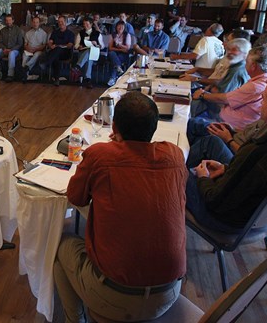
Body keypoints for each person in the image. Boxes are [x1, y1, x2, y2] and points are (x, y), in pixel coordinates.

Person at [55, 92, 187, 323]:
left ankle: (75, 319)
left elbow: (75, 198)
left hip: (114, 296)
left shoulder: (100, 155)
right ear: (155, 127)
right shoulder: (175, 156)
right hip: (169, 294)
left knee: (60, 246)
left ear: (114, 126)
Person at [185, 75, 267, 233]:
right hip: (256, 218)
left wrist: (203, 177)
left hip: (226, 221)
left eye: (263, 98)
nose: (260, 103)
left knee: (174, 169)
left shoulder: (258, 153)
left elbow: (213, 200)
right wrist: (227, 169)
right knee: (211, 143)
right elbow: (262, 177)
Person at [186, 58, 267, 167]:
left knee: (209, 142)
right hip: (235, 136)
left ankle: (178, 166)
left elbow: (253, 159)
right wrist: (231, 130)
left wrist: (229, 139)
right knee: (195, 124)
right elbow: (253, 135)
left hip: (235, 151)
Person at [187, 47, 267, 142]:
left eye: (234, 49)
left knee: (191, 122)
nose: (228, 49)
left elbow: (224, 98)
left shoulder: (255, 85)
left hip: (230, 127)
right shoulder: (260, 80)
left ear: (253, 65)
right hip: (225, 114)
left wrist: (202, 94)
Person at [187, 38, 251, 117]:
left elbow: (223, 96)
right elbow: (220, 83)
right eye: (229, 49)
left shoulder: (237, 70)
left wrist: (203, 93)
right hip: (213, 101)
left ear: (245, 53)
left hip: (218, 111)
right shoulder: (235, 65)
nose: (230, 52)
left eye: (234, 50)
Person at [0, 14, 24, 82]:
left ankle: (10, 75)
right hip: (4, 49)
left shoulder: (18, 30)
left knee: (11, 54)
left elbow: (20, 43)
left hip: (15, 50)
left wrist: (11, 49)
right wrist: (4, 49)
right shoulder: (2, 30)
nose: (8, 22)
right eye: (7, 20)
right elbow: (0, 43)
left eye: (9, 20)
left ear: (13, 21)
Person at [40, 16, 75, 86]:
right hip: (55, 52)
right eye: (59, 22)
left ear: (65, 22)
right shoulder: (55, 32)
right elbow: (50, 42)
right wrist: (50, 45)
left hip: (65, 52)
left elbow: (70, 45)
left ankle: (47, 63)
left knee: (57, 50)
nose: (60, 23)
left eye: (62, 21)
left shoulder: (70, 33)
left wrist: (60, 46)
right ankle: (56, 79)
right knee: (56, 57)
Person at [71, 17, 102, 88]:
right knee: (89, 57)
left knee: (90, 51)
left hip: (95, 54)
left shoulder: (97, 33)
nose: (85, 26)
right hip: (83, 52)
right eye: (84, 24)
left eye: (87, 24)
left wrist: (97, 45)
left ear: (91, 24)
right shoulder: (80, 33)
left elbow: (102, 45)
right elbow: (76, 45)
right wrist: (79, 47)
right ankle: (88, 79)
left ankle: (78, 66)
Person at [22, 16, 47, 81]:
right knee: (24, 56)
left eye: (37, 22)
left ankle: (27, 67)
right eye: (34, 22)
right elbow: (25, 44)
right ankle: (26, 75)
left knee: (36, 54)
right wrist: (28, 48)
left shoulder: (43, 33)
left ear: (39, 23)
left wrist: (36, 49)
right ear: (32, 23)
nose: (35, 24)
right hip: (29, 50)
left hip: (38, 50)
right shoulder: (28, 33)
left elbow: (44, 45)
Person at [107, 20, 132, 85]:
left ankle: (113, 77)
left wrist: (118, 45)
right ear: (116, 27)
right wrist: (120, 49)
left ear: (124, 27)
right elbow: (110, 48)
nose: (120, 27)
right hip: (114, 53)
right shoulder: (112, 35)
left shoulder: (127, 35)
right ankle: (118, 71)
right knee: (112, 53)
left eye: (122, 26)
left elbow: (127, 48)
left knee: (116, 59)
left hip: (123, 55)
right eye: (119, 26)